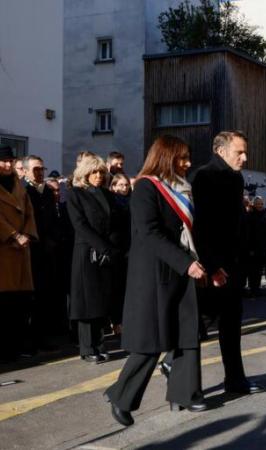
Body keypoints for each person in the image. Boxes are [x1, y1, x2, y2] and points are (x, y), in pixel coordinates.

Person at [104, 136, 208, 427]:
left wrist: (205, 265)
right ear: (165, 157)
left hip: (182, 270)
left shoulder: (182, 189)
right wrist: (186, 263)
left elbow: (191, 232)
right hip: (155, 274)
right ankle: (121, 396)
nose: (187, 164)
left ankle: (185, 393)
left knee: (187, 334)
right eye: (182, 158)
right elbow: (149, 233)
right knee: (151, 341)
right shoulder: (146, 187)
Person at [190, 131, 266, 397]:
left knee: (231, 325)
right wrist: (211, 266)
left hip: (234, 262)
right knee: (198, 324)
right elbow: (202, 226)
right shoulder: (204, 176)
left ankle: (235, 379)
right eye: (240, 152)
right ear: (221, 151)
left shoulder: (235, 178)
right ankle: (185, 382)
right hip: (214, 265)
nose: (245, 157)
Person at [67, 154, 124, 363]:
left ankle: (100, 344)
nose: (99, 175)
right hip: (86, 253)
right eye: (94, 172)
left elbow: (115, 223)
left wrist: (112, 248)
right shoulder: (75, 194)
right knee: (87, 303)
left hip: (106, 254)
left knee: (102, 301)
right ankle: (87, 347)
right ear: (85, 173)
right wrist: (103, 247)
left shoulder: (107, 195)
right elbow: (80, 225)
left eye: (101, 172)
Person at [0, 145, 38, 362]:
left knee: (19, 303)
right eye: (3, 161)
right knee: (3, 304)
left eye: (10, 161)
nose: (7, 165)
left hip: (21, 249)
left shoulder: (17, 184)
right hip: (5, 249)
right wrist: (14, 235)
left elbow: (29, 211)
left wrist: (28, 235)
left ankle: (16, 346)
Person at [23, 155, 64, 349]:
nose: (39, 172)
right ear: (25, 171)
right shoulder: (23, 190)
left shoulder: (47, 191)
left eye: (42, 169)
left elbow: (54, 218)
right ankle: (29, 339)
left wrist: (53, 239)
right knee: (30, 297)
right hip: (29, 248)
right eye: (35, 169)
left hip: (48, 249)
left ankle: (43, 336)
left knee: (46, 294)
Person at [108, 173, 132, 335]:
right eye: (121, 185)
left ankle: (125, 320)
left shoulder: (132, 201)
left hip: (129, 247)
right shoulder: (111, 202)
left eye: (126, 185)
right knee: (116, 288)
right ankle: (116, 322)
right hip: (116, 247)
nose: (124, 188)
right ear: (114, 186)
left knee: (126, 287)